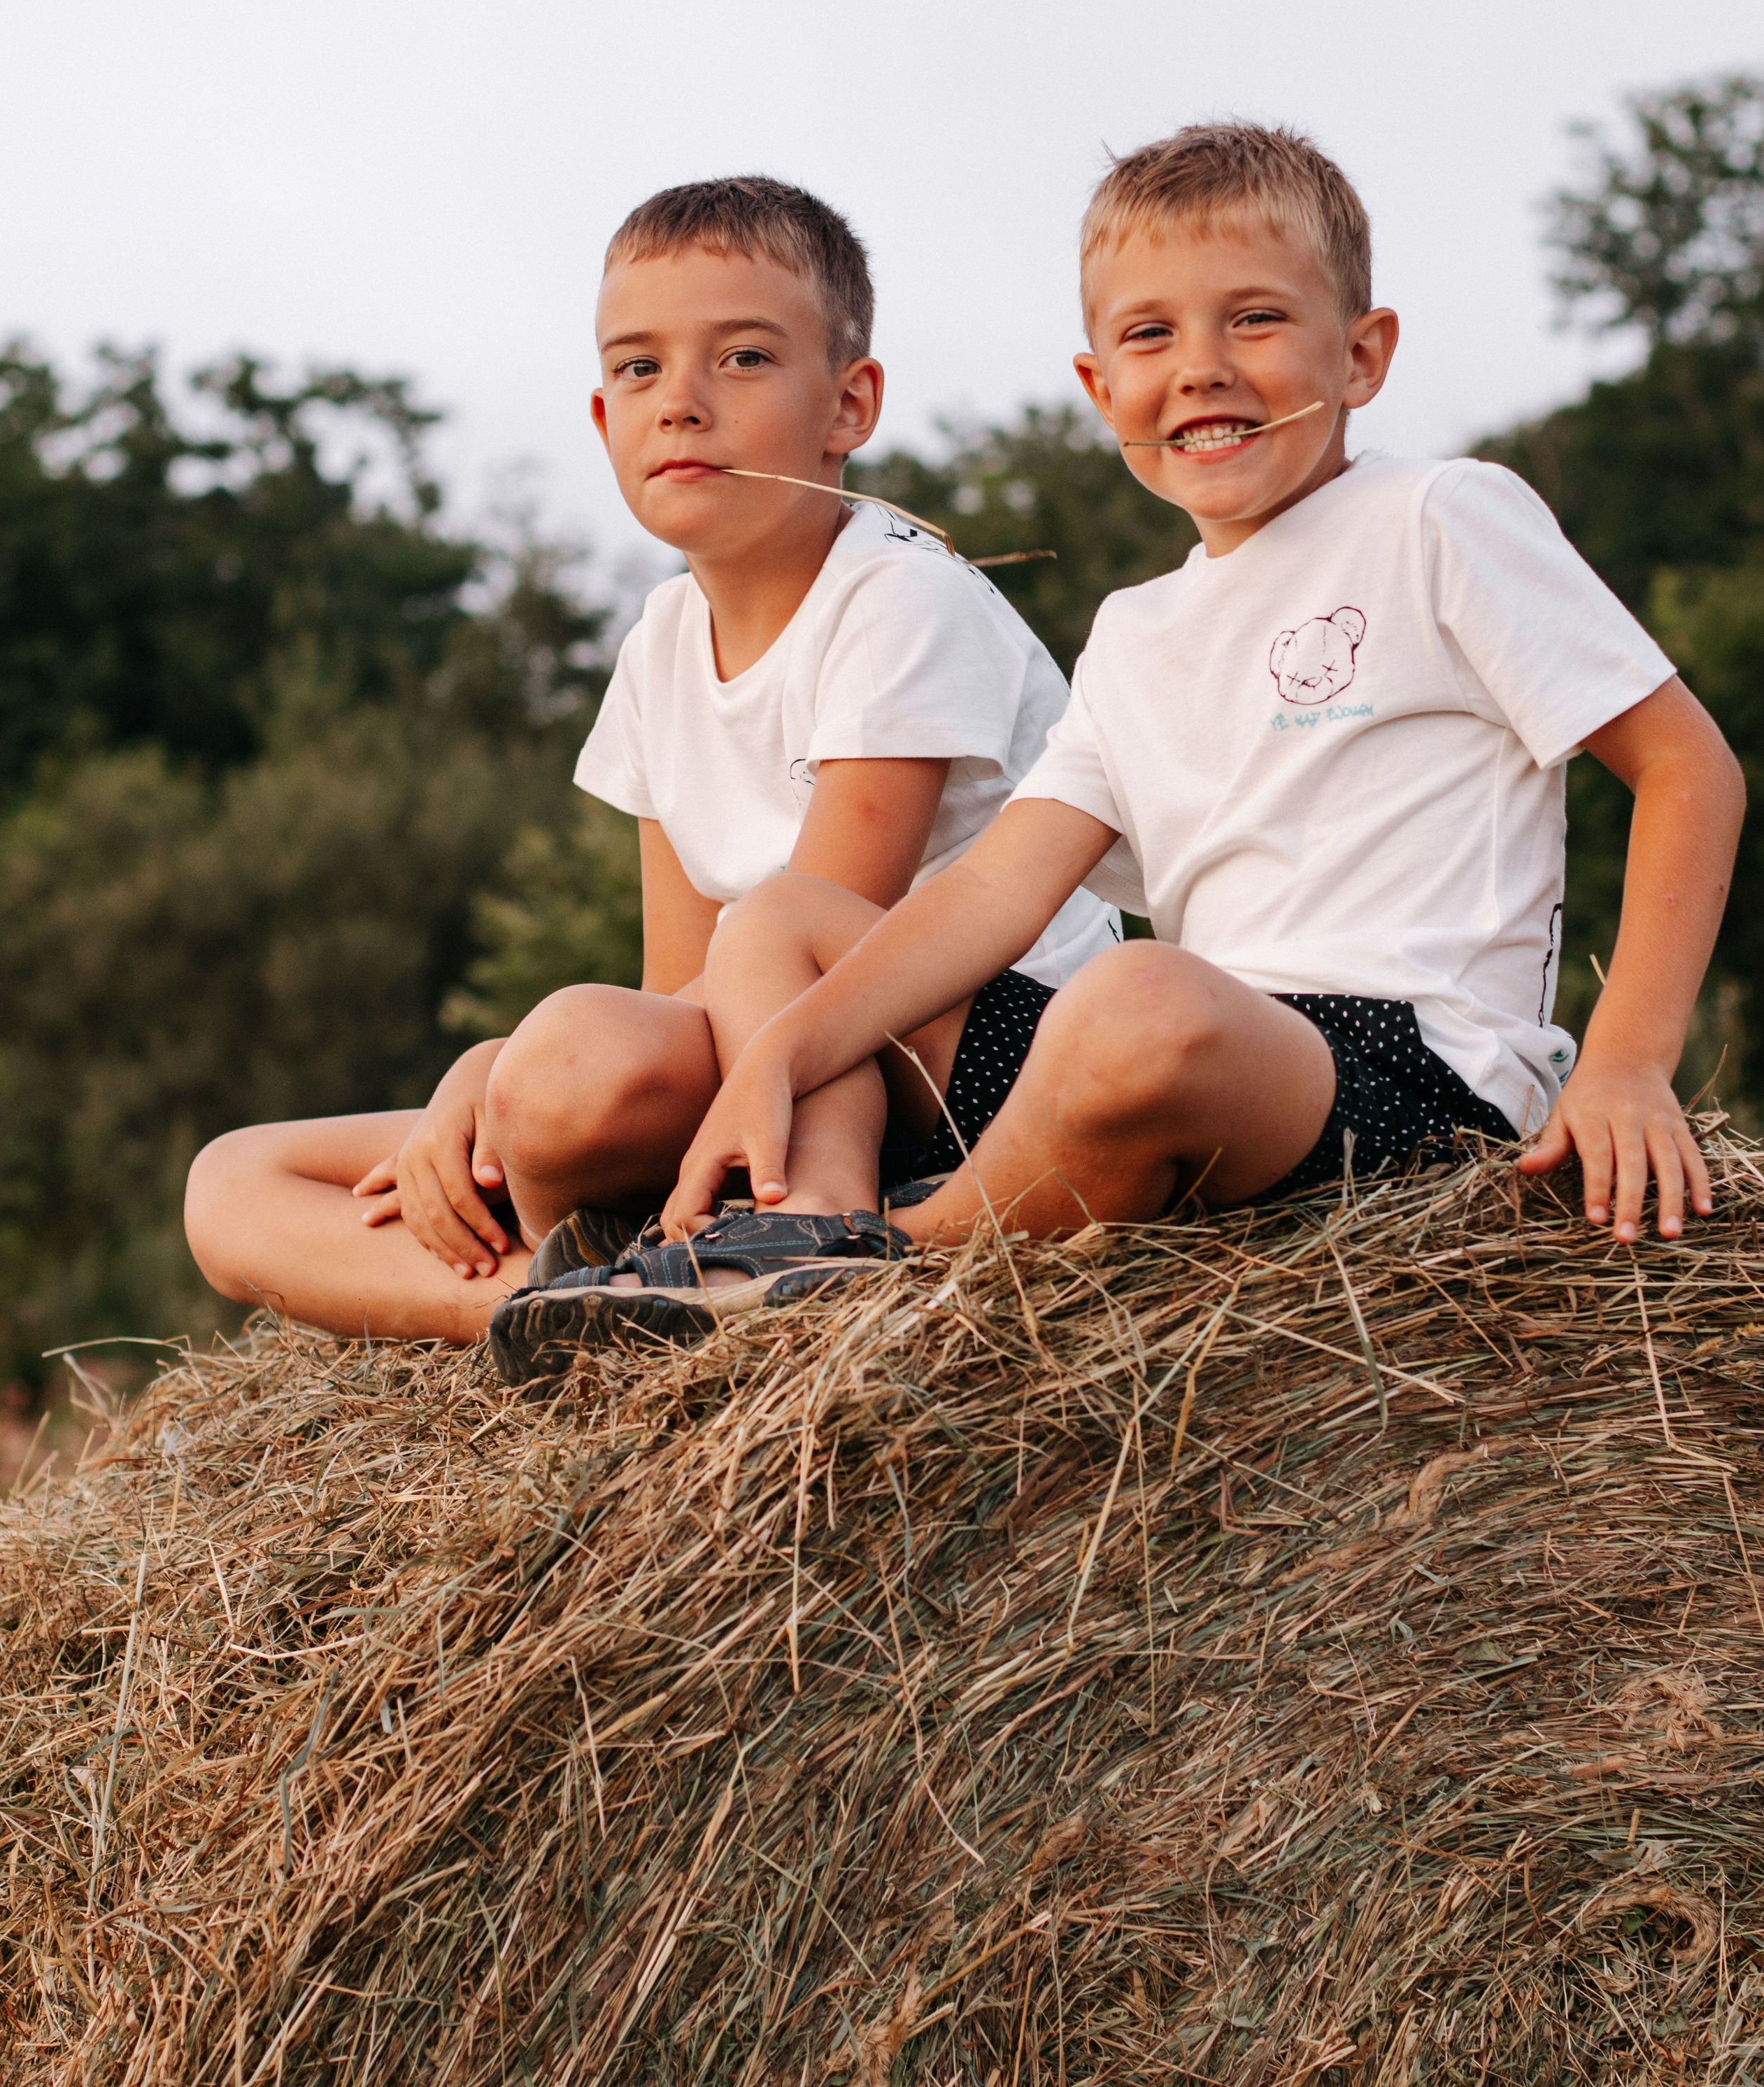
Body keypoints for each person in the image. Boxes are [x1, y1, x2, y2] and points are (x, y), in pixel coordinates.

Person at [524, 123, 1742, 1353]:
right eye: (1151, 335)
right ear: (1101, 388)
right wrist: (777, 1057)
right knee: (779, 920)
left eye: (1254, 320)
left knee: (1138, 997)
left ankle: (895, 1256)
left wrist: (1627, 1062)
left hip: (1417, 1077)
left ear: (1362, 355)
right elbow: (994, 892)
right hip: (1195, 1058)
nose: (1201, 370)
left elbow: (1689, 769)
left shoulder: (1438, 518)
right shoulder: (1134, 631)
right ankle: (807, 1224)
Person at [185, 176, 1116, 1343]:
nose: (680, 403)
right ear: (602, 419)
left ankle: (739, 1252)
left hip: (952, 1056)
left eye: (743, 359)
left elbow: (820, 953)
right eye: (639, 369)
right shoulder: (658, 645)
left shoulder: (900, 596)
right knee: (234, 1180)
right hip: (760, 1057)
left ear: (849, 404)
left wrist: (507, 1069)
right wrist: (488, 1085)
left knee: (567, 1067)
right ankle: (575, 1308)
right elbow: (673, 989)